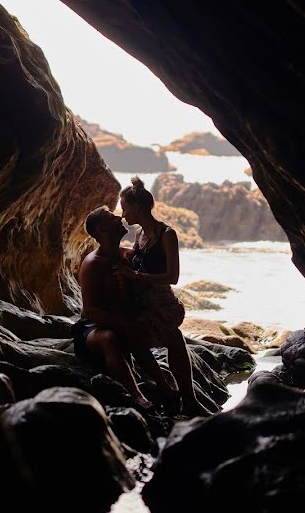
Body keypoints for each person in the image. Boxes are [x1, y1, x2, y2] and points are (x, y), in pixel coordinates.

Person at [116, 176, 211, 416]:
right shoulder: (139, 236)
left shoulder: (167, 234)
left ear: (137, 207)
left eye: (125, 208)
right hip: (142, 301)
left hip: (161, 301)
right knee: (166, 339)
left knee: (172, 338)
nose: (123, 214)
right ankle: (180, 396)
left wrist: (137, 276)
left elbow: (173, 276)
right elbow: (138, 260)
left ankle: (184, 397)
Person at [73, 205, 181, 412]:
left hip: (125, 321)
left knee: (169, 334)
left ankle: (166, 389)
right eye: (110, 217)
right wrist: (124, 324)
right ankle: (137, 396)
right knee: (110, 338)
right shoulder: (92, 263)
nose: (118, 217)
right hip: (92, 327)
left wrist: (163, 236)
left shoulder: (128, 256)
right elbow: (89, 310)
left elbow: (156, 268)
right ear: (101, 230)